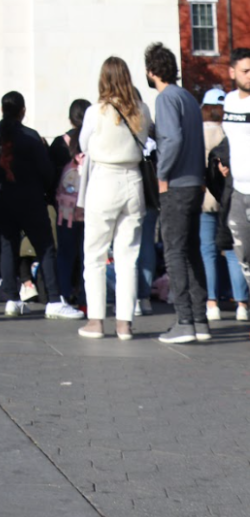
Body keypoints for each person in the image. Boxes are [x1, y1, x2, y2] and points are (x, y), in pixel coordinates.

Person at [0, 92, 83, 320]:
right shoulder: (31, 137)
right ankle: (53, 299)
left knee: (7, 247)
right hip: (30, 197)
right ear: (23, 111)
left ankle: (12, 299)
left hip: (2, 197)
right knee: (45, 248)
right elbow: (47, 170)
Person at [78, 57, 152, 340]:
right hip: (133, 181)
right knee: (127, 256)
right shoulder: (142, 109)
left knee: (95, 254)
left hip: (104, 181)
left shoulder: (96, 111)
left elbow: (84, 144)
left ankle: (96, 321)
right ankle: (125, 324)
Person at [143, 41, 209, 343]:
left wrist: (162, 174)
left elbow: (171, 139)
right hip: (196, 182)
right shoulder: (188, 98)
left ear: (152, 71)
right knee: (192, 250)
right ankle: (199, 319)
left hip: (178, 184)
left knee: (174, 251)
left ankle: (184, 321)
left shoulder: (166, 98)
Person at [200, 88, 250, 322]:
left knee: (208, 251)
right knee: (233, 251)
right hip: (231, 194)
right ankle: (241, 303)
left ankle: (211, 303)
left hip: (204, 198)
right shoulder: (231, 130)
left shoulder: (198, 132)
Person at [49, 98, 90, 307]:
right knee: (88, 255)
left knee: (65, 253)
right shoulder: (95, 142)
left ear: (70, 118)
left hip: (66, 209)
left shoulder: (59, 143)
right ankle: (86, 298)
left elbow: (50, 175)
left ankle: (63, 294)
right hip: (91, 206)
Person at [222, 48, 250, 308]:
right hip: (238, 191)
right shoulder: (228, 101)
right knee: (243, 256)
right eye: (245, 71)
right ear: (232, 73)